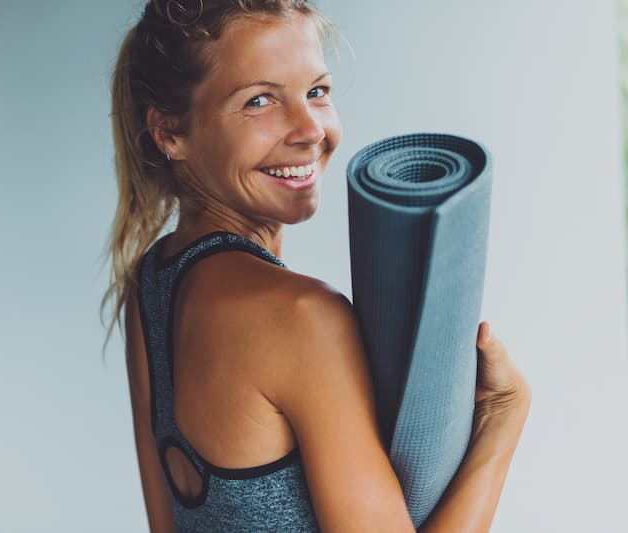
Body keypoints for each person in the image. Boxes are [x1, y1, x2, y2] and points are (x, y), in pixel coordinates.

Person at [100, 1, 532, 531]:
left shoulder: (150, 285)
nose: (309, 128)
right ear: (170, 133)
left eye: (317, 92)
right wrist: (501, 425)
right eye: (259, 101)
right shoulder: (302, 318)